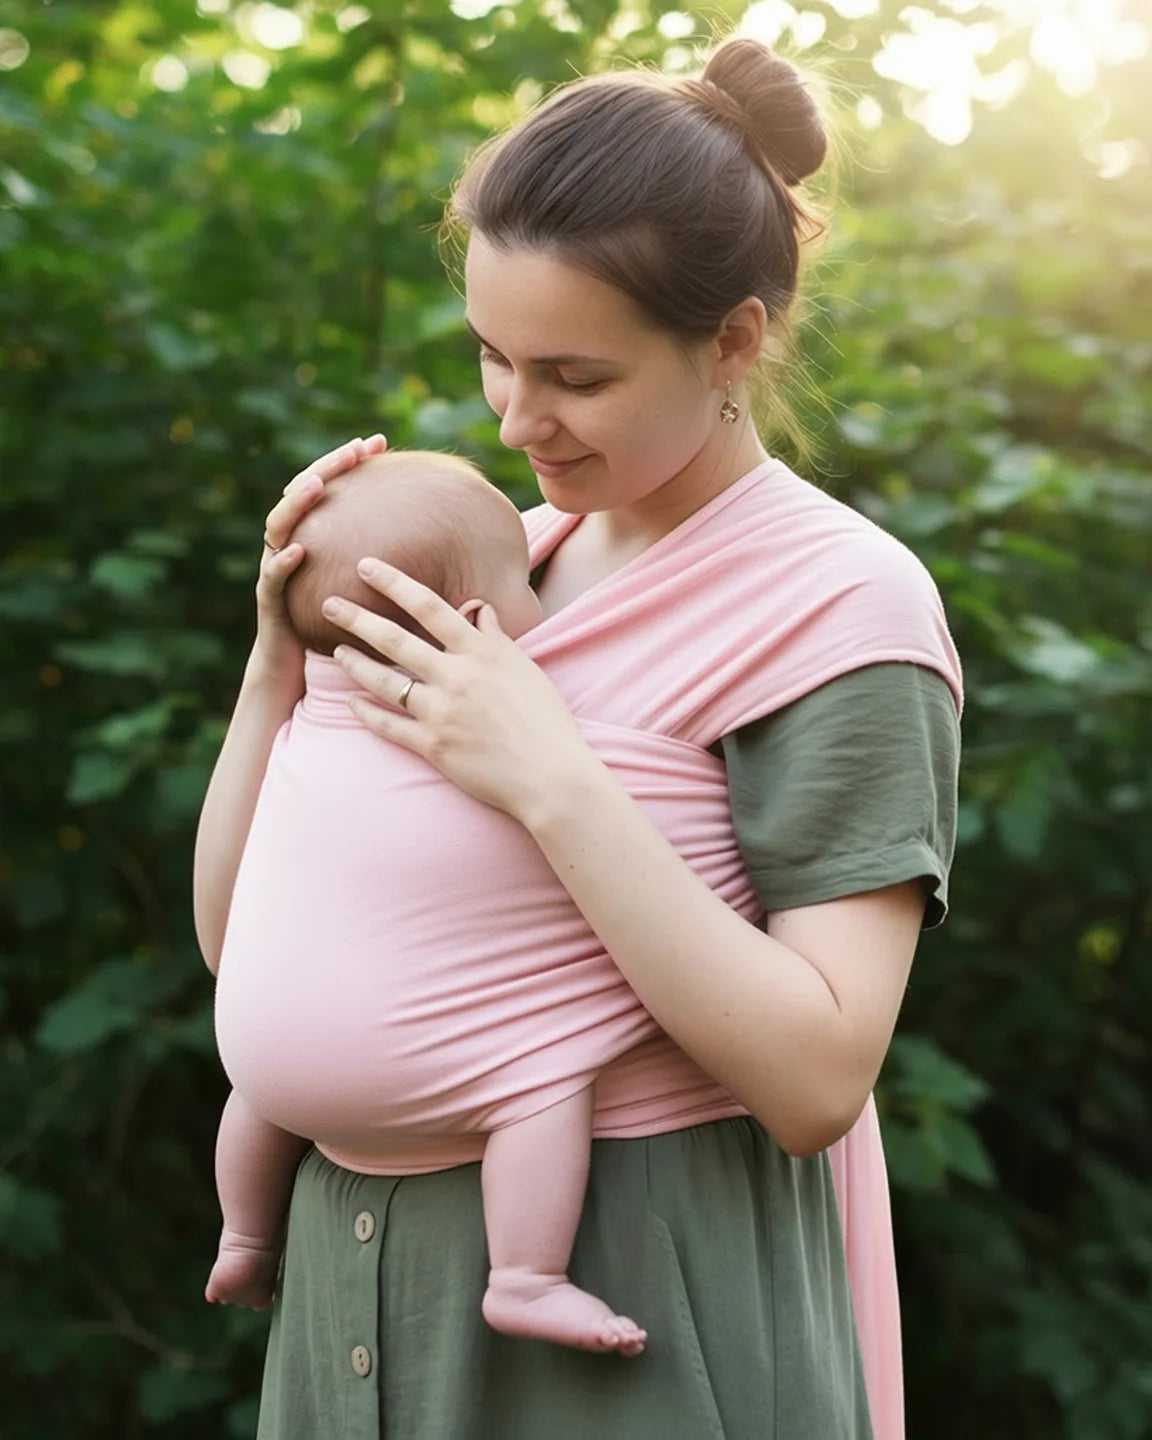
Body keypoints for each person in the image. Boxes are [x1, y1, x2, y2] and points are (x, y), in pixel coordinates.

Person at [194, 35, 962, 1440]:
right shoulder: (493, 561)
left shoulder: (839, 605)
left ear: (735, 340)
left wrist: (551, 778)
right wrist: (275, 666)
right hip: (352, 1288)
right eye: (492, 356)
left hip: (633, 1303)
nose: (514, 418)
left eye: (575, 376)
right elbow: (246, 939)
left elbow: (817, 1077)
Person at [206, 447, 649, 1354]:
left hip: (261, 1059)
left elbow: (224, 923)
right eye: (525, 582)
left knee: (258, 1092)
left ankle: (244, 1237)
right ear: (475, 620)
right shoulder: (502, 729)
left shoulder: (308, 713)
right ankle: (526, 1278)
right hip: (422, 1073)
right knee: (544, 1081)